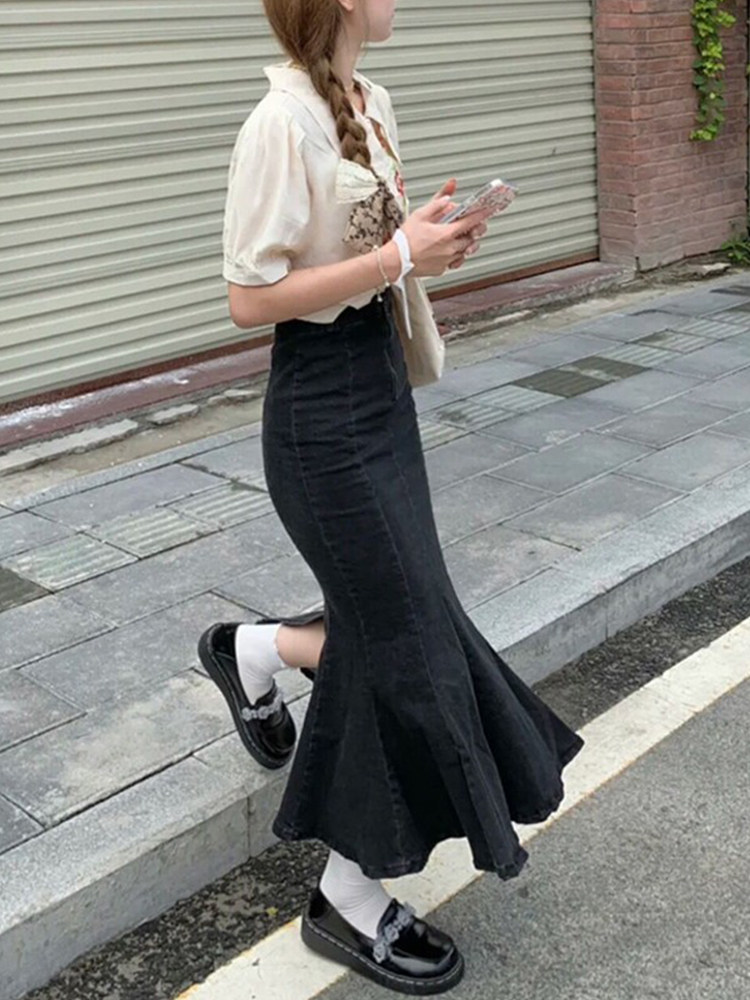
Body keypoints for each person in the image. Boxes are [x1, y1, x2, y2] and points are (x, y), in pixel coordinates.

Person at [197, 0, 585, 993]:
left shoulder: (370, 98)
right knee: (406, 642)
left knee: (404, 625)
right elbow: (248, 298)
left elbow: (372, 263)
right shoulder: (279, 123)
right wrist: (397, 255)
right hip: (320, 416)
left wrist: (429, 245)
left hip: (379, 389)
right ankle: (346, 896)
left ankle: (251, 651)